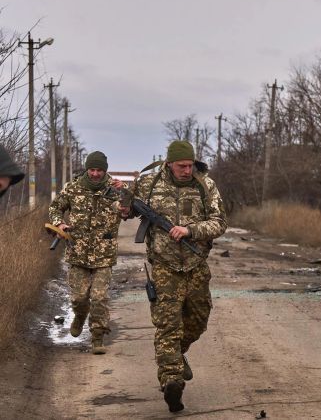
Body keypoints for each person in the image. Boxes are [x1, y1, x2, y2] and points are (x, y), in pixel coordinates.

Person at [121, 141, 226, 413]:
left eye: (190, 165)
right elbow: (125, 211)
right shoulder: (148, 184)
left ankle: (176, 358)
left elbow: (220, 222)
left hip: (196, 265)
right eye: (181, 166)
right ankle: (171, 381)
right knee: (168, 326)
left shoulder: (205, 186)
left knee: (198, 321)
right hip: (164, 267)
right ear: (169, 164)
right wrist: (122, 202)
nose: (186, 170)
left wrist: (190, 230)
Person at [48, 151, 125, 354]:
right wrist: (59, 223)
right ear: (87, 169)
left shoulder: (116, 190)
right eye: (92, 169)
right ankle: (80, 315)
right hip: (78, 252)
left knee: (99, 298)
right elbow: (56, 207)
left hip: (104, 255)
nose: (96, 174)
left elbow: (131, 209)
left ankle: (97, 338)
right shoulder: (74, 188)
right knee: (79, 298)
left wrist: (126, 191)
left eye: (99, 170)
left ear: (105, 170)